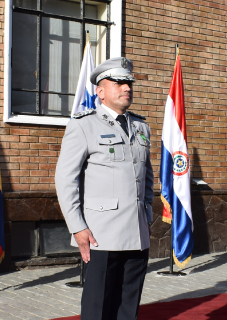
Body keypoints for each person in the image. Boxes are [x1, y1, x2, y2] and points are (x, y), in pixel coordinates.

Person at [54, 57, 154, 320]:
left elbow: (146, 176)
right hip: (101, 234)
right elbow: (66, 179)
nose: (127, 88)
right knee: (98, 306)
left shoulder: (141, 126)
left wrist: (147, 214)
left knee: (128, 305)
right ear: (100, 91)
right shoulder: (83, 124)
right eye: (119, 82)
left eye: (129, 83)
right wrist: (77, 226)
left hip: (137, 231)